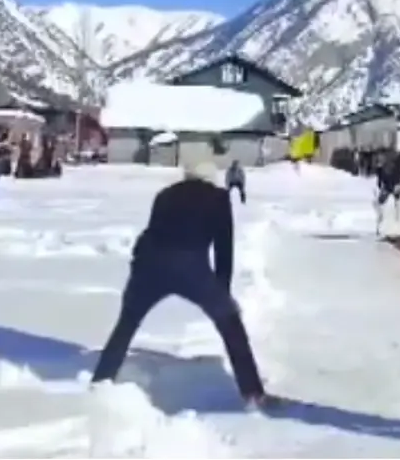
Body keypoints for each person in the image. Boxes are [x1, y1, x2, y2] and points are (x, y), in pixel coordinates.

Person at [90, 161, 272, 409]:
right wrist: (222, 294)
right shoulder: (218, 198)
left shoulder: (164, 195)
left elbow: (153, 232)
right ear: (210, 178)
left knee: (127, 323)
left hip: (148, 267)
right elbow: (223, 249)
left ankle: (100, 382)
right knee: (231, 325)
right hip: (191, 268)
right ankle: (253, 393)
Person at [374, 153, 400, 234]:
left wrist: (397, 184)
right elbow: (380, 179)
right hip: (387, 186)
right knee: (381, 205)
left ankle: (396, 223)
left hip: (391, 185)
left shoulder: (391, 166)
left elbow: (397, 174)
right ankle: (382, 224)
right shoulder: (380, 168)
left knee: (396, 205)